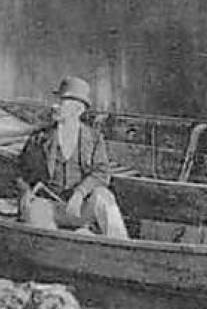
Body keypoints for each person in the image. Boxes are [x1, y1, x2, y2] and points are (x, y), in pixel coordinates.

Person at [16, 77, 128, 239]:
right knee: (36, 211)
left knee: (104, 196)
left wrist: (79, 194)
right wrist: (25, 191)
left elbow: (102, 173)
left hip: (80, 208)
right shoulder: (40, 138)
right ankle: (55, 247)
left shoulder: (94, 138)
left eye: (62, 102)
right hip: (50, 206)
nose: (55, 106)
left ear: (78, 109)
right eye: (56, 101)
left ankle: (120, 246)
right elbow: (21, 171)